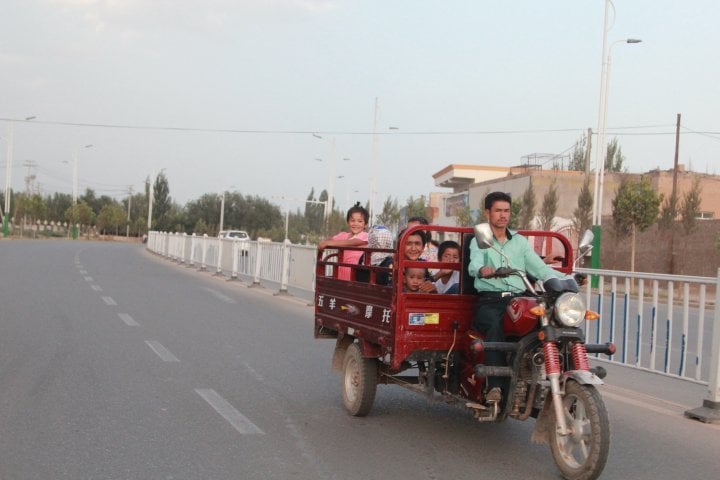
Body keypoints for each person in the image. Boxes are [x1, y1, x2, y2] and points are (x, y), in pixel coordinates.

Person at [468, 191, 563, 404]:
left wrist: (567, 278)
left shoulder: (519, 242)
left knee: (552, 322)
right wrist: (483, 268)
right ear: (488, 213)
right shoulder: (481, 240)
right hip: (491, 300)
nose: (503, 215)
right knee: (494, 325)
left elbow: (539, 268)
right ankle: (495, 387)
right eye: (498, 210)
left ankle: (559, 379)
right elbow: (473, 264)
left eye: (506, 211)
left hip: (519, 299)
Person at [318, 202, 369, 280]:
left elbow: (352, 242)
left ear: (365, 224)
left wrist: (327, 243)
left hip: (356, 277)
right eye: (352, 220)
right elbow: (331, 239)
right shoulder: (343, 235)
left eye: (360, 221)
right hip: (341, 276)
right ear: (348, 222)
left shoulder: (365, 236)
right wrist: (323, 242)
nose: (355, 224)